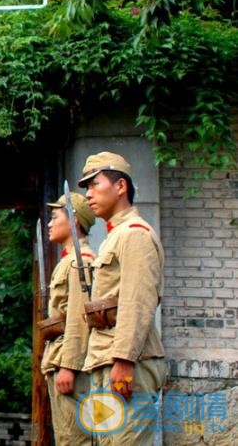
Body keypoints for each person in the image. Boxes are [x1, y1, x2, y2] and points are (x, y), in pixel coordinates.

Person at [79, 152, 165, 445]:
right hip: (107, 358)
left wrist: (124, 359)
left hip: (127, 363)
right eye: (86, 188)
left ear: (120, 187)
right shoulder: (115, 236)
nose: (88, 194)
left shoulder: (135, 234)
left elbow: (137, 300)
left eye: (94, 184)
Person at [40, 192, 95, 445]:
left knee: (74, 438)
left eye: (55, 217)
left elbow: (78, 317)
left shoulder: (80, 261)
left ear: (74, 220)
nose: (50, 224)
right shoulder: (70, 260)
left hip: (69, 362)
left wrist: (69, 367)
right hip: (60, 356)